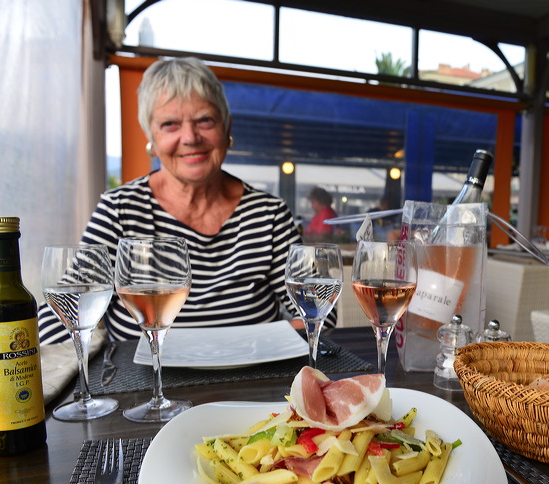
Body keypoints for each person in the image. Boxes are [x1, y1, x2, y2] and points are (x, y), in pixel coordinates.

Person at [38, 57, 331, 343]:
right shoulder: (120, 210)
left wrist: (236, 351)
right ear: (150, 136)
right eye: (170, 124)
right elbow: (57, 320)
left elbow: (320, 312)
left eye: (205, 120)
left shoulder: (268, 215)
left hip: (251, 386)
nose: (190, 138)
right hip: (144, 387)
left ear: (227, 127)